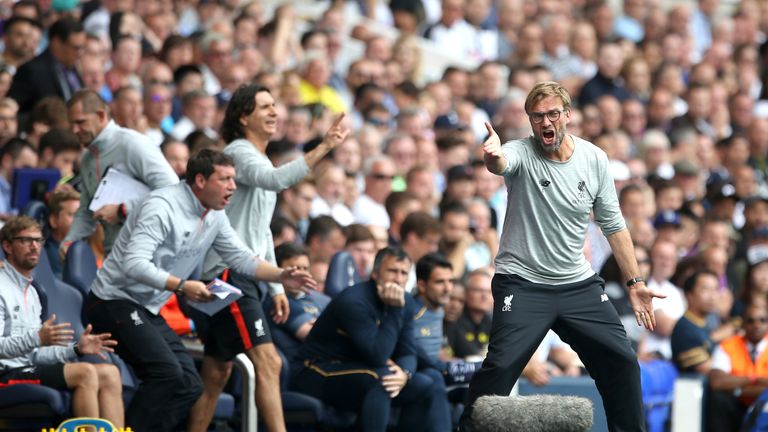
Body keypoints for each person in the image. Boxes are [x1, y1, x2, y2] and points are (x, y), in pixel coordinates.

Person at [459, 81, 663, 431]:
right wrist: (492, 155)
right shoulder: (520, 151)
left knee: (623, 361)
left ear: (568, 115)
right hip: (522, 284)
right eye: (537, 117)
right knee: (501, 367)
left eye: (553, 114)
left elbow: (613, 224)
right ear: (530, 121)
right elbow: (501, 163)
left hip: (576, 285)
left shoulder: (594, 158)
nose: (546, 122)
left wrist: (635, 281)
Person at [84, 150, 316, 432]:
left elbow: (241, 257)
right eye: (225, 179)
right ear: (200, 180)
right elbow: (134, 264)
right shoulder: (163, 206)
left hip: (146, 308)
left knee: (190, 385)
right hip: (112, 301)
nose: (233, 186)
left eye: (234, 179)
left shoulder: (215, 215)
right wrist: (181, 286)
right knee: (167, 375)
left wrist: (281, 275)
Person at [191, 84, 349, 432]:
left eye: (275, 105)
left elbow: (261, 231)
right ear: (243, 116)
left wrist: (277, 288)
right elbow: (277, 181)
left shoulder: (257, 157)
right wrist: (323, 146)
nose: (274, 112)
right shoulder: (238, 153)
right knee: (269, 361)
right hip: (226, 276)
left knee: (217, 373)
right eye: (264, 107)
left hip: (244, 275)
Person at [293, 247, 434, 431]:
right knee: (380, 379)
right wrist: (394, 310)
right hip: (314, 369)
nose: (398, 279)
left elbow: (408, 350)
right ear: (375, 274)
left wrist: (404, 375)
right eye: (392, 271)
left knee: (424, 384)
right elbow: (378, 354)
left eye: (403, 273)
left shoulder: (405, 301)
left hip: (359, 369)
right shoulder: (354, 301)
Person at [0, 216, 123, 427]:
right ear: (7, 246)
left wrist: (76, 349)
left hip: (28, 367)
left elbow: (36, 354)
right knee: (85, 373)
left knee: (109, 373)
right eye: (26, 240)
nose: (34, 246)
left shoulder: (35, 293)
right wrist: (36, 338)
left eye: (39, 241)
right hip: (5, 375)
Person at [61, 89, 179, 257]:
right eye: (72, 124)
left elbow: (173, 191)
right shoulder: (87, 159)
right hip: (116, 255)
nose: (75, 130)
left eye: (81, 122)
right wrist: (70, 241)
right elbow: (87, 211)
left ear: (101, 116)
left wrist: (124, 209)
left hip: (151, 253)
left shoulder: (132, 144)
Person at [708, 302, 768, 432]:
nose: (756, 325)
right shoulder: (728, 345)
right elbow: (717, 382)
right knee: (719, 398)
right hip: (737, 406)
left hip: (764, 405)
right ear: (742, 324)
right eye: (750, 321)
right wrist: (755, 379)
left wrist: (739, 388)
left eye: (762, 320)